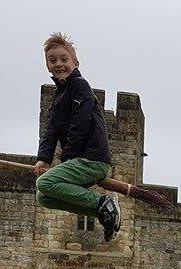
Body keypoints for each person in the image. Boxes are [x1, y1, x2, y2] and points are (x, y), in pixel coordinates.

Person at [33, 33, 120, 243]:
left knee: (45, 183)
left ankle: (103, 202)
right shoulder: (59, 95)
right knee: (43, 196)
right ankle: (102, 211)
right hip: (79, 162)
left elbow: (80, 125)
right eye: (52, 60)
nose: (59, 64)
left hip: (92, 159)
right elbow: (51, 130)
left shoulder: (80, 86)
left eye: (64, 59)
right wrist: (43, 158)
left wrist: (67, 159)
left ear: (76, 62)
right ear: (47, 65)